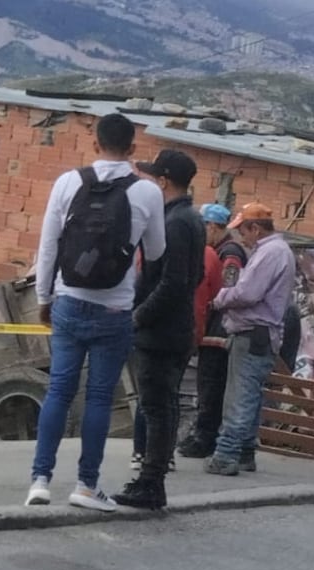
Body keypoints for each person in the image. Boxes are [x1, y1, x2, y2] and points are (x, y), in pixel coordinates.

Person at [24, 113, 165, 512]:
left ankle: (40, 479)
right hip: (115, 309)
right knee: (100, 397)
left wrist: (43, 299)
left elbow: (48, 246)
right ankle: (87, 485)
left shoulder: (68, 182)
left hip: (68, 301)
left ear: (95, 142)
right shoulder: (148, 192)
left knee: (59, 391)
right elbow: (155, 252)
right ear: (133, 150)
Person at [115, 149, 205, 510]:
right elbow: (191, 278)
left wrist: (137, 316)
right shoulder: (190, 219)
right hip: (176, 328)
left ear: (164, 181)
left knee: (156, 406)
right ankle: (152, 479)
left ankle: (151, 481)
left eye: (154, 178)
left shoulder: (175, 223)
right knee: (163, 405)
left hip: (161, 333)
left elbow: (172, 282)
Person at [204, 202, 297, 477]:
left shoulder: (270, 253)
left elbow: (247, 292)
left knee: (239, 396)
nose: (241, 236)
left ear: (255, 229)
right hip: (261, 333)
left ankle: (226, 454)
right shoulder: (276, 251)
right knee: (251, 395)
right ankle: (245, 452)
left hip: (253, 331)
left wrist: (219, 299)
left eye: (243, 230)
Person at [177, 204, 248, 459]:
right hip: (213, 329)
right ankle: (203, 434)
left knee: (211, 385)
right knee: (207, 385)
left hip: (219, 332)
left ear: (212, 227)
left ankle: (206, 438)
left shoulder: (229, 253)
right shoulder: (220, 250)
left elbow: (227, 291)